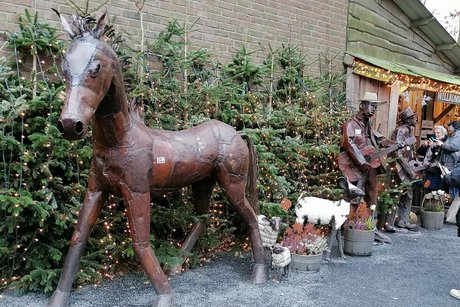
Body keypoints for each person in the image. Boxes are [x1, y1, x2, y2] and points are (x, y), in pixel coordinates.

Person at [338, 92, 396, 219]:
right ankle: (350, 224)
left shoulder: (368, 126)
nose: (374, 109)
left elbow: (380, 139)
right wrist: (361, 162)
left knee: (372, 194)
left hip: (369, 167)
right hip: (353, 167)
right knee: (354, 194)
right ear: (363, 105)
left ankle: (368, 223)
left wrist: (396, 144)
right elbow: (348, 143)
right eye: (372, 105)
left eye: (376, 106)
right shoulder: (350, 125)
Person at [388, 107, 419, 232]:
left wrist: (416, 164)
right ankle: (390, 222)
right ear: (409, 119)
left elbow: (411, 152)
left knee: (408, 194)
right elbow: (397, 152)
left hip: (407, 167)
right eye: (413, 117)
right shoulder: (401, 130)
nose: (415, 119)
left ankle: (403, 220)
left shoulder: (409, 130)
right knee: (398, 193)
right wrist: (408, 169)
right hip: (400, 168)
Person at [420, 125, 448, 191]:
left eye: (438, 133)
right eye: (435, 133)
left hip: (437, 170)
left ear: (443, 133)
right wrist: (424, 146)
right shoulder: (432, 140)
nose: (436, 134)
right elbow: (420, 153)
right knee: (427, 188)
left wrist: (434, 147)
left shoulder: (445, 142)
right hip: (428, 169)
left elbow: (439, 155)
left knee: (435, 189)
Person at [437, 121, 460, 199]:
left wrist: (442, 144)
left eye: (449, 127)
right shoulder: (451, 135)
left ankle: (451, 199)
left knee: (451, 181)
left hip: (452, 162)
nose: (448, 128)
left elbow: (454, 146)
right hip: (448, 162)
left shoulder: (458, 135)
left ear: (454, 127)